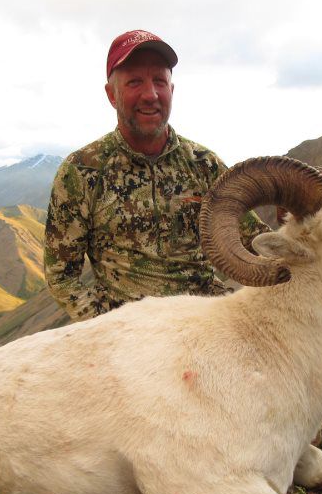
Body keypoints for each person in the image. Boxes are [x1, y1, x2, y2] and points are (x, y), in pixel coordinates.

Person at [45, 29, 268, 321]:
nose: (150, 95)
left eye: (159, 82)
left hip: (205, 324)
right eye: (135, 82)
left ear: (171, 91)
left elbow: (255, 240)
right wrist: (105, 328)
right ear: (112, 95)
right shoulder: (81, 171)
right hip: (126, 331)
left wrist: (302, 231)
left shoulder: (205, 165)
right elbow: (62, 277)